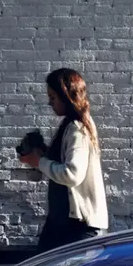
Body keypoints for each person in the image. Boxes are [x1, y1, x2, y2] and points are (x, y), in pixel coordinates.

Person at [19, 68, 109, 252]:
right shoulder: (70, 126)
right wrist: (41, 155)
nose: (49, 102)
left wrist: (39, 162)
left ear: (66, 96)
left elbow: (72, 174)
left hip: (78, 227)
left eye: (53, 97)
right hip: (64, 223)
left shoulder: (77, 129)